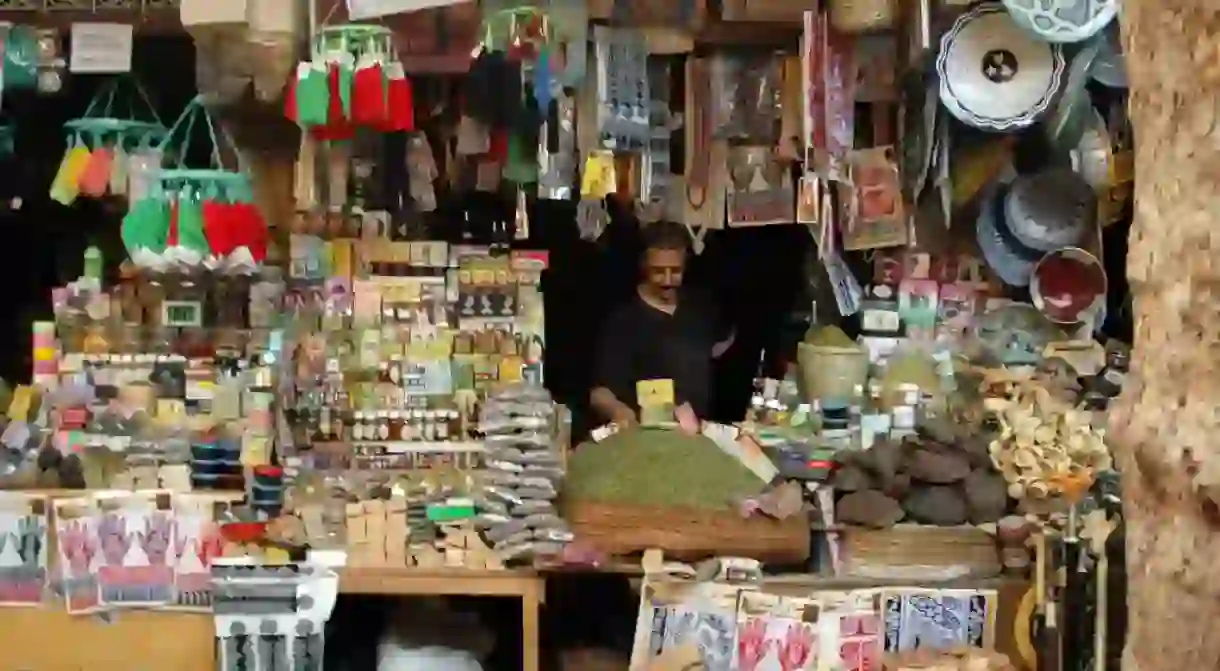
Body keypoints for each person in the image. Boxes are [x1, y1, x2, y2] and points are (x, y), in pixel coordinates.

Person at [591, 222, 734, 426]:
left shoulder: (701, 308)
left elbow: (722, 348)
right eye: (658, 271)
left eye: (675, 271)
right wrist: (619, 411)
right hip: (646, 439)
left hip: (699, 438)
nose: (667, 280)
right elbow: (599, 393)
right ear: (643, 266)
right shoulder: (623, 320)